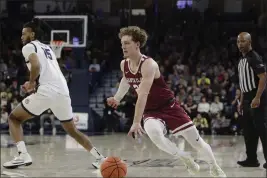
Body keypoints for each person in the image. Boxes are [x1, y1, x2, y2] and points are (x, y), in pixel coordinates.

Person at [107, 26, 226, 177]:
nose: (123, 46)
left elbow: (142, 94)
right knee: (155, 135)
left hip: (169, 107)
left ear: (137, 44)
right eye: (122, 43)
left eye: (127, 43)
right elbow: (126, 79)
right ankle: (185, 158)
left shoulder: (149, 64)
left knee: (197, 143)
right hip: (151, 111)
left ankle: (214, 166)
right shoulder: (124, 64)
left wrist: (136, 122)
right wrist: (117, 97)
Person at [3, 18, 105, 169]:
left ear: (32, 34)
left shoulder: (28, 47)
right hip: (63, 92)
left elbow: (36, 65)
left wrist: (31, 83)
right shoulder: (48, 48)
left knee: (14, 118)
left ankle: (23, 155)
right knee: (72, 130)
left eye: (24, 34)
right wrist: (35, 82)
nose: (21, 37)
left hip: (47, 90)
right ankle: (100, 158)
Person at [236, 32, 267, 169]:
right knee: (248, 131)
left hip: (256, 97)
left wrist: (257, 97)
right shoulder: (241, 60)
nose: (240, 44)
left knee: (262, 130)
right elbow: (243, 84)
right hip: (247, 97)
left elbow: (263, 77)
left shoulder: (254, 57)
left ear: (249, 42)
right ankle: (252, 159)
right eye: (238, 42)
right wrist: (242, 102)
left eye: (243, 41)